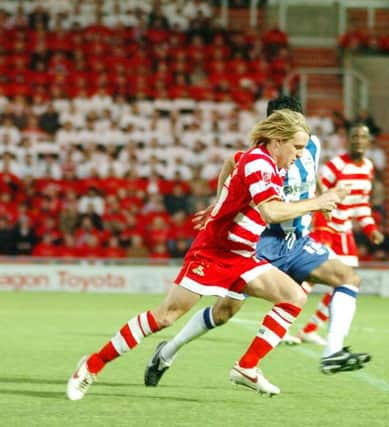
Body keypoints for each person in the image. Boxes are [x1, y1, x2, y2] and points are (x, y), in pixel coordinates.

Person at [66, 109, 346, 400]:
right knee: (165, 317)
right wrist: (317, 203)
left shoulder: (268, 160)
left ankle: (246, 367)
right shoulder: (259, 163)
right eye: (296, 147)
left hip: (243, 254)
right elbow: (271, 211)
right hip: (213, 251)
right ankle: (91, 365)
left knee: (294, 297)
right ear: (277, 141)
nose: (300, 155)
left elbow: (231, 160)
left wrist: (220, 200)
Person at [144, 96, 372, 390]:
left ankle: (331, 352)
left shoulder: (310, 145)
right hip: (260, 242)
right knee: (224, 312)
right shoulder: (257, 157)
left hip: (296, 240)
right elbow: (231, 163)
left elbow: (312, 176)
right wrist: (219, 204)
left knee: (347, 277)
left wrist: (321, 201)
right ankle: (167, 351)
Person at [297, 124, 384, 343]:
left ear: (368, 141)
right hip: (326, 227)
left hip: (344, 231)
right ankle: (278, 327)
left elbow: (361, 204)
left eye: (362, 137)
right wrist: (318, 223)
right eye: (354, 136)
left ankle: (309, 329)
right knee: (309, 278)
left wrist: (371, 229)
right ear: (348, 140)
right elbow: (314, 191)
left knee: (344, 282)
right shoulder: (336, 166)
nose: (358, 140)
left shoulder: (368, 168)